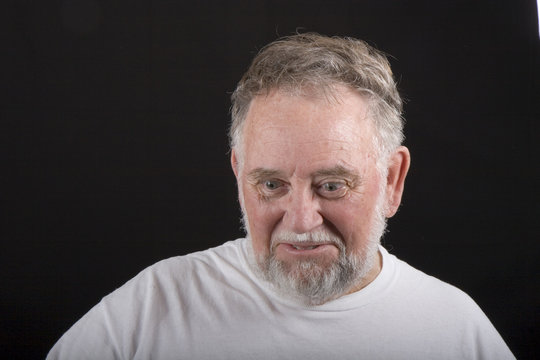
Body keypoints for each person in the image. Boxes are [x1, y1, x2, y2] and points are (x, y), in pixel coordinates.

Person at [47, 33, 514, 359]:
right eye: (271, 185)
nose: (302, 220)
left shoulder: (454, 329)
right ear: (238, 175)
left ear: (392, 181)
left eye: (331, 186)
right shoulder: (151, 310)